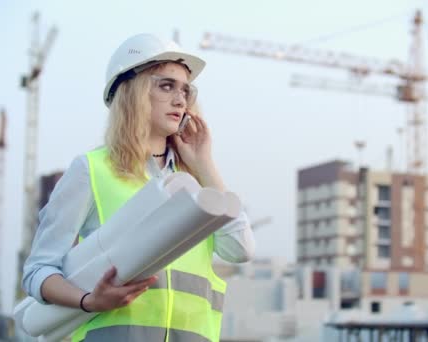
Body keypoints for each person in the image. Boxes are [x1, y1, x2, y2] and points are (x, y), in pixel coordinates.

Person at [21, 33, 256, 342]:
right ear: (132, 91)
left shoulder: (197, 182)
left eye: (186, 90)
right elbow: (38, 271)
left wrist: (204, 164)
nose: (180, 100)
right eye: (166, 85)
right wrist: (88, 301)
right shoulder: (91, 170)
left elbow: (241, 250)